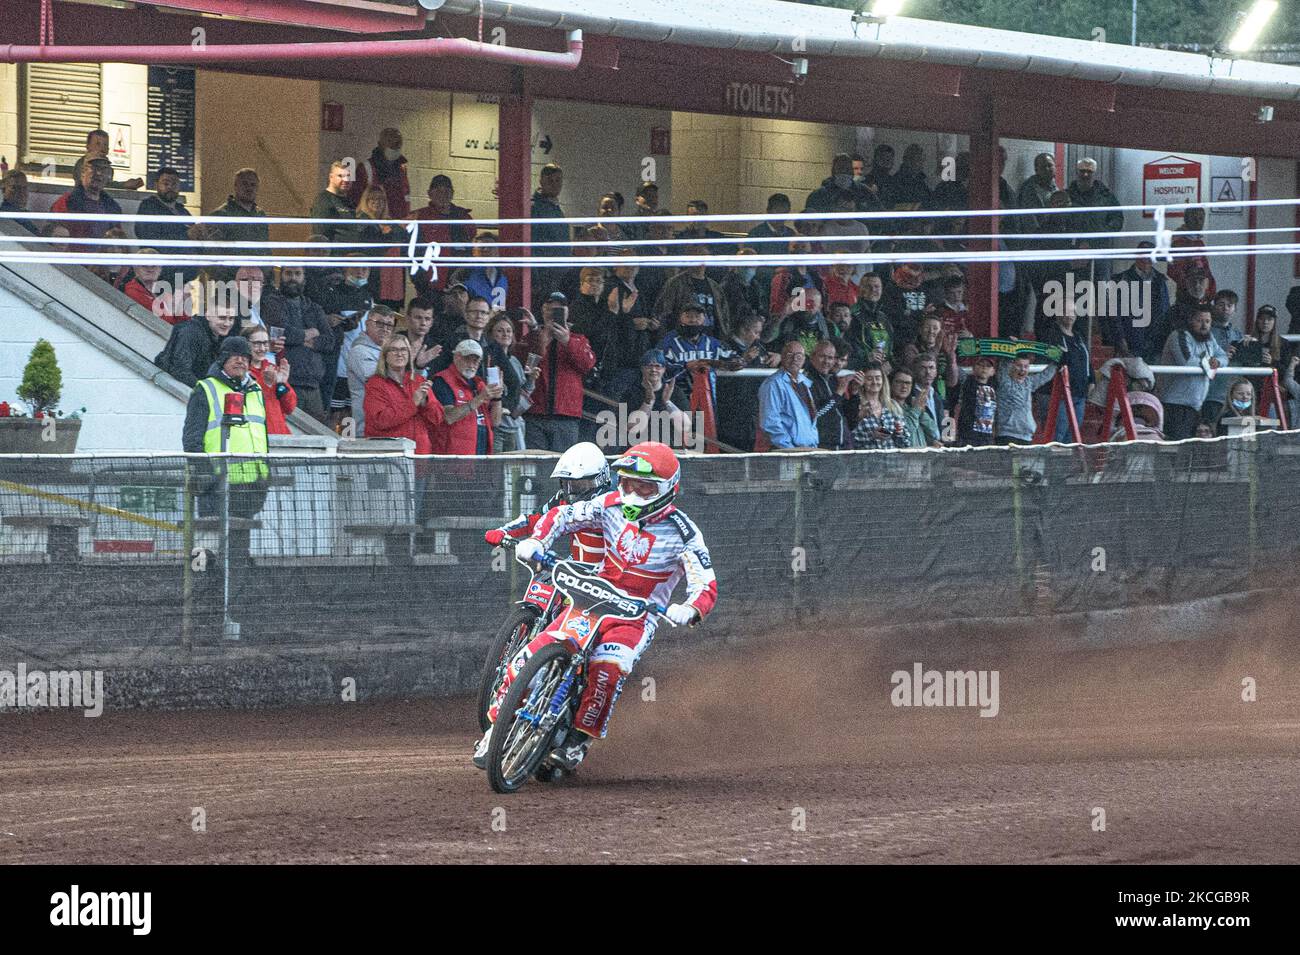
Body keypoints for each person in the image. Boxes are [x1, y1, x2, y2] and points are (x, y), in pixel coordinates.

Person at [475, 441, 717, 772]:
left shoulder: (685, 533)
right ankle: (494, 731)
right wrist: (536, 541)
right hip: (590, 599)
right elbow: (562, 515)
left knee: (609, 669)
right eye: (627, 483)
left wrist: (689, 609)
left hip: (634, 616)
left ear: (666, 489)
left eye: (643, 487)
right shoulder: (610, 504)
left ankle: (579, 740)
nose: (631, 493)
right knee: (527, 657)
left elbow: (705, 583)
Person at [181, 335, 269, 519]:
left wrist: (264, 477)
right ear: (223, 360)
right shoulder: (205, 389)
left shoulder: (256, 391)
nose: (241, 361)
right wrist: (207, 475)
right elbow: (192, 439)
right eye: (234, 356)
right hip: (216, 485)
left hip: (251, 486)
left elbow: (262, 436)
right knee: (212, 544)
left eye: (245, 357)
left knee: (240, 547)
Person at [364, 335, 445, 522]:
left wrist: (426, 402)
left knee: (413, 519)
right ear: (385, 355)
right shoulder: (375, 384)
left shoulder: (417, 381)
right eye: (394, 350)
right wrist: (413, 403)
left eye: (403, 350)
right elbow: (381, 420)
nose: (399, 354)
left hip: (419, 463)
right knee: (389, 518)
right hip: (390, 464)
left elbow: (438, 418)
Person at [484, 442, 611, 562]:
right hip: (579, 569)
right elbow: (535, 518)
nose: (571, 491)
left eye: (578, 485)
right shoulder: (563, 499)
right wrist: (503, 531)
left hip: (612, 576)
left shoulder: (615, 505)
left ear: (599, 480)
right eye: (566, 484)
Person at [517, 292, 596, 451]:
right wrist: (542, 340)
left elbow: (587, 364)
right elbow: (525, 366)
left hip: (566, 416)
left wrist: (567, 341)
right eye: (550, 309)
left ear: (566, 313)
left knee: (563, 466)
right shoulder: (532, 338)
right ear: (543, 311)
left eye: (559, 310)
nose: (554, 313)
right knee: (537, 467)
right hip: (535, 413)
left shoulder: (578, 339)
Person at [262, 265, 336, 422]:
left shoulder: (313, 307)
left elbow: (330, 341)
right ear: (280, 277)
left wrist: (302, 340)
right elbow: (280, 332)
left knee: (318, 438)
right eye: (288, 274)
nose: (293, 278)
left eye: (297, 274)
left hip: (314, 386)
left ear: (304, 278)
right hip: (287, 384)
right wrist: (307, 334)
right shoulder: (271, 302)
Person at [1159, 304, 1230, 440]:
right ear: (1190, 320)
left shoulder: (1209, 338)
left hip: (1195, 405)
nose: (1204, 325)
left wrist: (1218, 362)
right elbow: (1186, 361)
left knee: (1189, 450)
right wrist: (1210, 362)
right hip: (1175, 405)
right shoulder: (1178, 335)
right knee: (1176, 449)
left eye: (1207, 321)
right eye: (1199, 321)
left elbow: (1224, 356)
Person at [430, 339, 502, 455]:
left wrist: (497, 398)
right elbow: (449, 417)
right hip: (453, 454)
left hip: (482, 450)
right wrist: (479, 398)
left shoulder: (479, 384)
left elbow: (495, 422)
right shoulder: (442, 380)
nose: (472, 365)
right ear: (456, 357)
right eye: (468, 359)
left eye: (476, 361)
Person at [411, 174, 475, 295]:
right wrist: (419, 281)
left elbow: (471, 249)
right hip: (429, 285)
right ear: (429, 193)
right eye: (438, 191)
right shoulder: (419, 217)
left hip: (458, 285)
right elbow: (410, 252)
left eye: (447, 191)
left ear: (452, 194)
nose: (442, 195)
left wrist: (465, 275)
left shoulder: (464, 217)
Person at [155, 298, 237, 388]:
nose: (227, 323)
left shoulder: (218, 338)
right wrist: (205, 391)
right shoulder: (190, 332)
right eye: (222, 318)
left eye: (231, 319)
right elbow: (180, 369)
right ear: (207, 315)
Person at [757, 341, 819, 451]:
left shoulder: (804, 383)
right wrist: (789, 449)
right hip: (786, 452)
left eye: (799, 356)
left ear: (804, 359)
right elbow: (770, 422)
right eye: (790, 355)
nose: (795, 359)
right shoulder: (773, 384)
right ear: (782, 357)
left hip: (807, 450)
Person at [484, 313, 532, 451]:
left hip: (514, 425)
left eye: (509, 330)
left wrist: (531, 380)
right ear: (491, 334)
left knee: (512, 471)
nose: (505, 334)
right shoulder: (488, 358)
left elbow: (525, 393)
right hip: (495, 426)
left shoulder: (515, 361)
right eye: (500, 330)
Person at [346, 306, 395, 434]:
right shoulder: (359, 351)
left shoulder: (391, 352)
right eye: (379, 323)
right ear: (367, 324)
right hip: (366, 428)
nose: (385, 329)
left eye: (389, 325)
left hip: (389, 424)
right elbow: (381, 382)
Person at [135, 167, 192, 276]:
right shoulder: (148, 208)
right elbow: (149, 238)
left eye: (174, 184)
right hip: (157, 274)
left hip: (182, 274)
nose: (170, 187)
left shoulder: (183, 212)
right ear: (157, 185)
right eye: (166, 183)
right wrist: (186, 235)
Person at [50, 157, 122, 242]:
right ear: (82, 172)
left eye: (104, 169)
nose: (99, 173)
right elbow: (52, 234)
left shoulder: (112, 207)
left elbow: (117, 241)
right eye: (94, 168)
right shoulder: (67, 202)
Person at [995, 353, 1058, 445]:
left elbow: (1046, 375)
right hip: (1007, 434)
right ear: (1012, 366)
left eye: (1026, 366)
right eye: (1019, 365)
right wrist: (1009, 349)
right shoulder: (1004, 381)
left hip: (1026, 435)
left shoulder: (1029, 382)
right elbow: (1004, 365)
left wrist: (1057, 361)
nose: (1022, 369)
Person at [244, 325, 297, 435]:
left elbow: (290, 407)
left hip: (280, 436)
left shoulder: (272, 368)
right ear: (246, 344)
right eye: (257, 343)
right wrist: (267, 386)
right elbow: (256, 406)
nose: (262, 348)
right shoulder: (241, 372)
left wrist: (281, 384)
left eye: (265, 343)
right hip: (257, 437)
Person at [347, 127, 411, 219]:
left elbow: (405, 197)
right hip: (372, 223)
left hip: (396, 223)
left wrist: (405, 219)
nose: (394, 146)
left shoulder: (401, 169)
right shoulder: (366, 168)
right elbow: (355, 198)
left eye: (397, 144)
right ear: (380, 144)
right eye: (390, 142)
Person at [850, 363, 909, 450]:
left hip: (892, 460)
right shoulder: (856, 406)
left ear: (883, 380)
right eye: (869, 379)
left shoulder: (892, 406)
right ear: (863, 381)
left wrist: (899, 432)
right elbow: (849, 440)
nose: (874, 382)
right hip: (865, 461)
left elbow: (905, 444)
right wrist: (871, 436)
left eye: (878, 378)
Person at [209, 169, 269, 247]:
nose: (249, 188)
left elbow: (265, 248)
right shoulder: (220, 215)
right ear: (236, 186)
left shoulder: (260, 215)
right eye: (244, 183)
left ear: (257, 188)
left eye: (253, 185)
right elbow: (212, 250)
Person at [954, 355, 998, 447]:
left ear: (993, 371)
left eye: (988, 366)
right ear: (973, 368)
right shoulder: (967, 382)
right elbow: (954, 368)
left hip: (987, 436)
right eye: (980, 364)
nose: (984, 368)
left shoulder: (995, 386)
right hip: (968, 434)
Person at [0, 169, 36, 234]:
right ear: (3, 190)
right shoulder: (9, 215)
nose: (21, 193)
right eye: (14, 188)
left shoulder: (23, 215)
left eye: (24, 188)